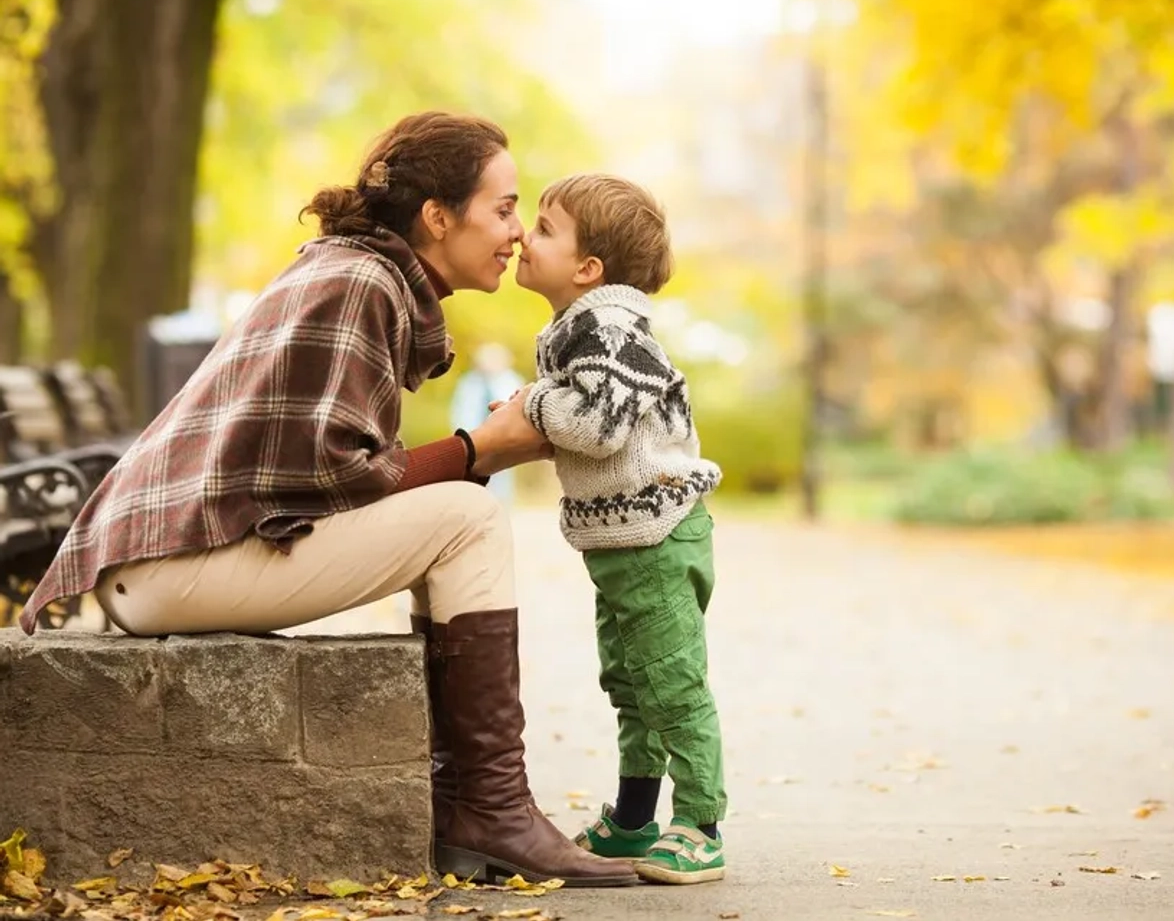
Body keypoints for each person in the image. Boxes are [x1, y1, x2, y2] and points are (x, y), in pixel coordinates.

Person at [18, 112, 636, 889]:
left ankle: (475, 806)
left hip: (165, 562)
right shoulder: (362, 282)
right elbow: (340, 479)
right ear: (437, 217)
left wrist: (477, 452)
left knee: (462, 515)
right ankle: (491, 809)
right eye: (504, 208)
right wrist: (483, 450)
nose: (515, 232)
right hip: (169, 568)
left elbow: (323, 476)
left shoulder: (355, 269)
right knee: (472, 517)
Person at [512, 174, 727, 884]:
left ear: (587, 269)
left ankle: (700, 822)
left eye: (543, 227)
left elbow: (599, 428)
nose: (522, 235)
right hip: (621, 545)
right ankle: (635, 818)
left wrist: (532, 406)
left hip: (660, 540)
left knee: (671, 684)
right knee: (629, 683)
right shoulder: (576, 330)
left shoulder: (612, 332)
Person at [450, 343, 524, 507]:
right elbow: (461, 409)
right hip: (474, 436)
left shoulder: (510, 379)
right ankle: (477, 504)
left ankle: (500, 505)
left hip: (505, 436)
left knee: (501, 473)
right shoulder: (470, 382)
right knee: (475, 472)